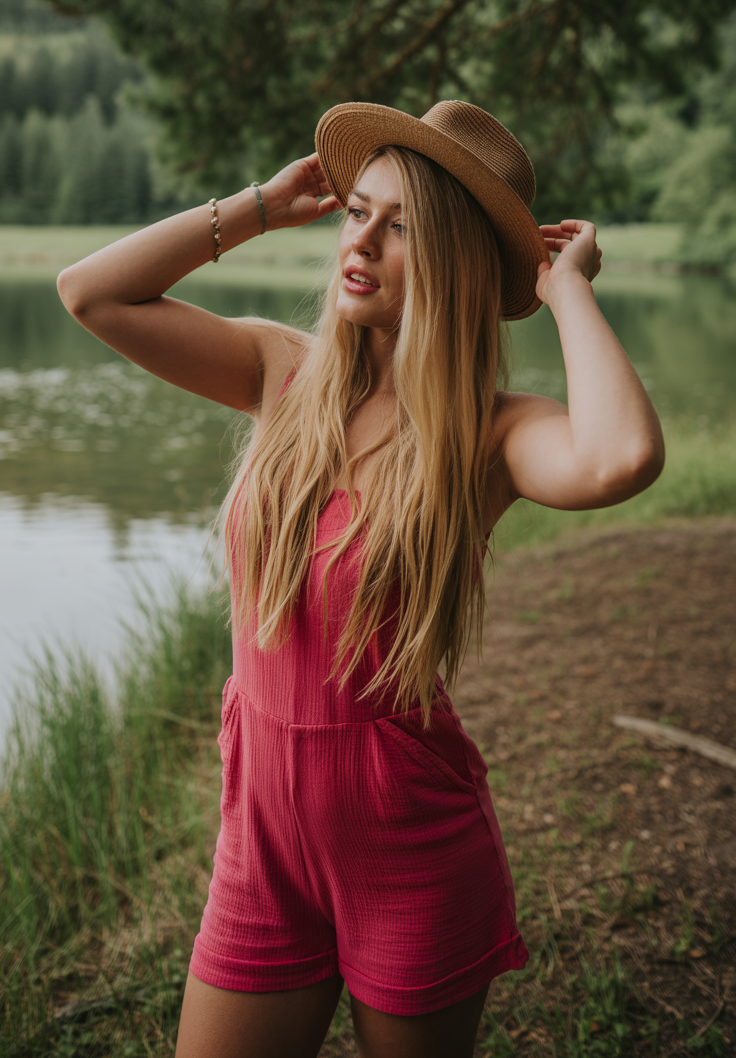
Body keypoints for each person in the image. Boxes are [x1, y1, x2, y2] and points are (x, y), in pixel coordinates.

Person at [57, 100, 664, 1058]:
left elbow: (621, 455)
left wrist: (567, 289)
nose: (364, 240)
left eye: (403, 225)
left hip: (406, 843)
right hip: (259, 834)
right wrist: (260, 205)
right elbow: (90, 294)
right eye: (357, 211)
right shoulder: (276, 371)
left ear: (458, 260)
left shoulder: (491, 433)